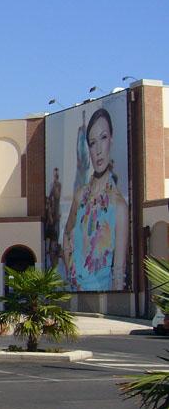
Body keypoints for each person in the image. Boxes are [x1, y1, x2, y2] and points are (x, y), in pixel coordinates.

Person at [62, 108, 128, 291]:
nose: (98, 150)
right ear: (88, 148)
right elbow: (66, 235)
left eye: (103, 138)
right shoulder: (80, 196)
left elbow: (119, 272)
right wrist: (71, 271)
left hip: (102, 298)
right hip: (75, 295)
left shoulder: (119, 207)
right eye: (92, 143)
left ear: (111, 140)